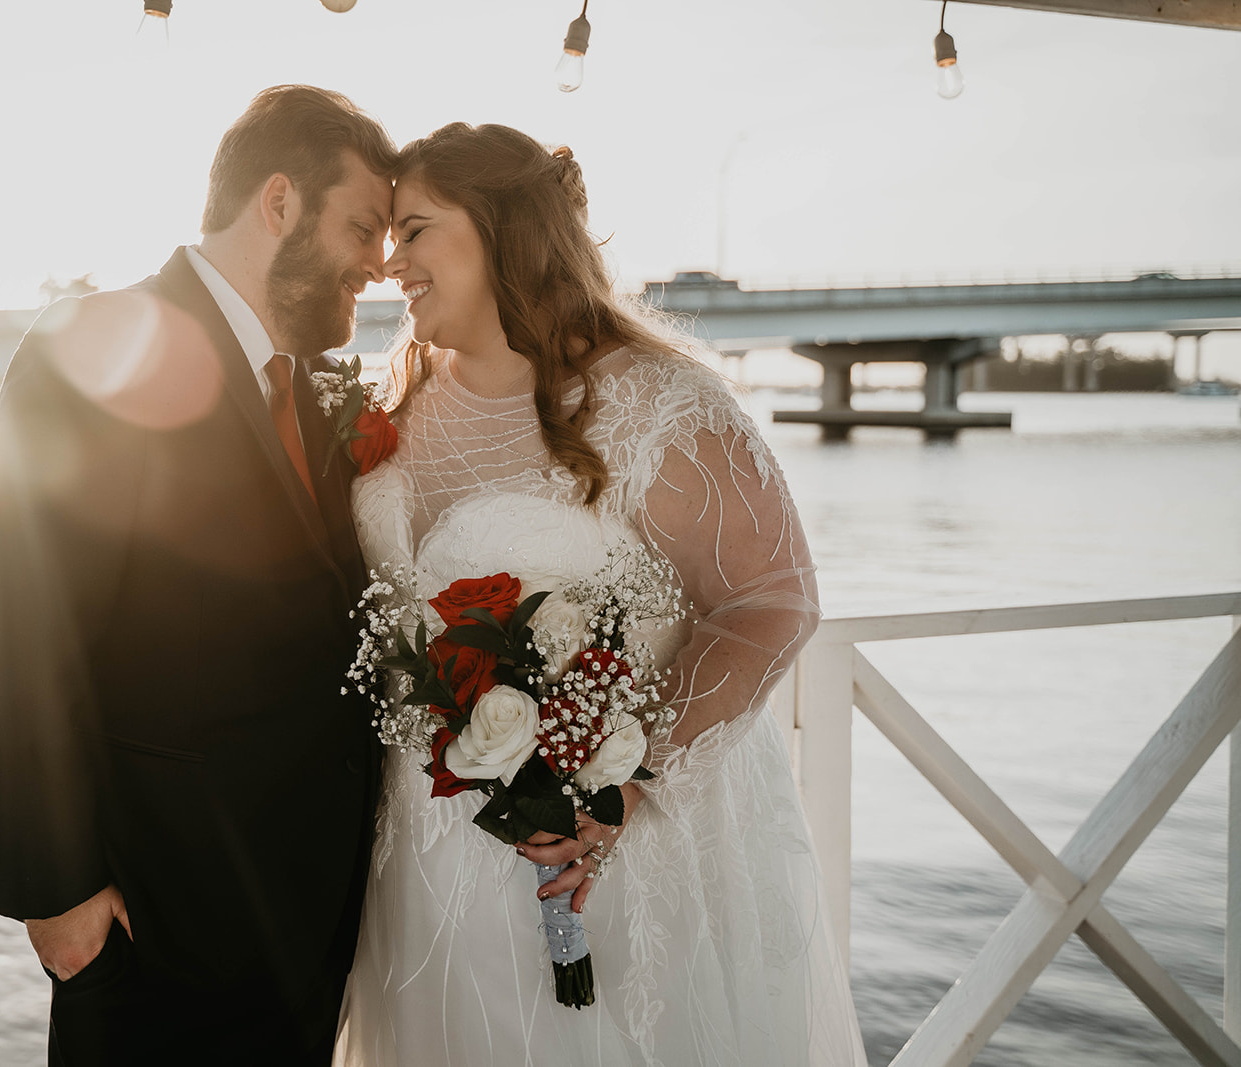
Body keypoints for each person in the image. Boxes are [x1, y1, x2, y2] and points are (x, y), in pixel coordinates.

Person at [336, 123, 867, 1065]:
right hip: (417, 868)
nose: (389, 262)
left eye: (414, 230)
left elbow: (773, 600)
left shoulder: (657, 404)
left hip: (598, 863)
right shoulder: (397, 401)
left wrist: (624, 780)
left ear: (502, 229)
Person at [0, 85, 397, 1065]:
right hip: (157, 931)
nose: (380, 262)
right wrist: (58, 898)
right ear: (278, 202)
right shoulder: (97, 344)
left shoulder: (310, 388)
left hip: (306, 934)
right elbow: (12, 620)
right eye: (363, 228)